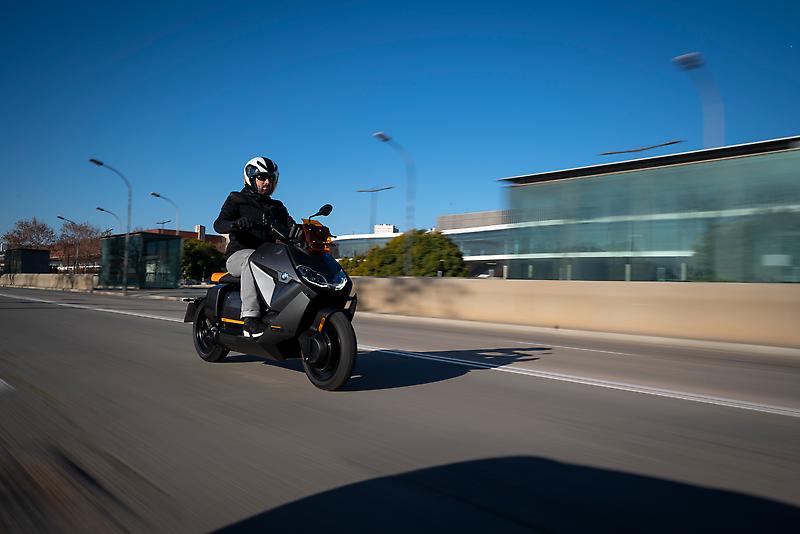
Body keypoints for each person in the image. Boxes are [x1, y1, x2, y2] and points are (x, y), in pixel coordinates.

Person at [213, 156, 298, 338]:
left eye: (271, 178)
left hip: (269, 257)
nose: (267, 182)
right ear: (250, 177)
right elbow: (219, 224)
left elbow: (292, 228)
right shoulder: (236, 199)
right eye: (262, 177)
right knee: (252, 259)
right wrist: (235, 224)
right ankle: (250, 319)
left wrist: (307, 233)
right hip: (239, 257)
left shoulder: (277, 207)